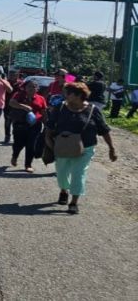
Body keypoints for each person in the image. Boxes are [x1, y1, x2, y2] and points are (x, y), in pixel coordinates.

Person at [44, 82, 117, 214]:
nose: (64, 95)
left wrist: (111, 148)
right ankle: (63, 190)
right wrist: (48, 140)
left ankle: (74, 202)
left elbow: (104, 130)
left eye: (68, 93)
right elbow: (49, 125)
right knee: (62, 173)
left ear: (78, 95)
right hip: (62, 147)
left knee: (78, 173)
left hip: (86, 148)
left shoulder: (93, 110)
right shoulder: (60, 107)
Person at [8, 80, 47, 172]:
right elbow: (11, 103)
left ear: (37, 89)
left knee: (31, 145)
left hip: (35, 125)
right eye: (29, 86)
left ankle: (28, 164)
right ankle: (15, 155)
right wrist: (23, 106)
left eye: (34, 87)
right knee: (18, 144)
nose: (31, 88)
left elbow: (43, 112)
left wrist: (46, 125)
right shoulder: (19, 95)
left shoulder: (41, 98)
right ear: (25, 87)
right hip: (20, 124)